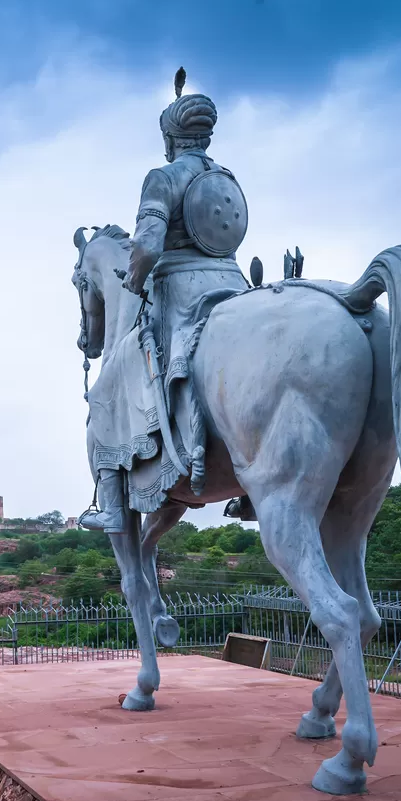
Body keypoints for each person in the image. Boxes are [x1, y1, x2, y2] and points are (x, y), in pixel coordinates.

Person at [82, 70, 250, 532]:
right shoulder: (228, 177)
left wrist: (135, 281)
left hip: (179, 293)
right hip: (235, 285)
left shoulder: (163, 177)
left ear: (171, 137)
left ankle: (112, 508)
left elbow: (149, 246)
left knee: (106, 392)